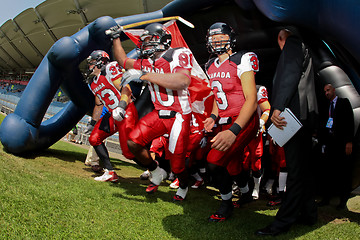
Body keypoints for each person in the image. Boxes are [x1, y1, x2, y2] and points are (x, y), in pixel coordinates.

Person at [109, 22, 195, 201]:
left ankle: (184, 185)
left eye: (150, 39)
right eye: (144, 40)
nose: (146, 44)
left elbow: (182, 81)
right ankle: (157, 171)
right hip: (159, 113)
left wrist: (143, 75)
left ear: (163, 39)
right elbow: (123, 61)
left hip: (179, 115)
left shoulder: (178, 53)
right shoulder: (147, 62)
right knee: (133, 143)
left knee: (178, 165)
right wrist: (115, 38)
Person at [256, 28, 318, 236]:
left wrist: (278, 107)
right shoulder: (305, 47)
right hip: (305, 117)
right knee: (303, 171)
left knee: (295, 172)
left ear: (281, 38)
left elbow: (289, 74)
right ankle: (309, 214)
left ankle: (282, 222)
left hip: (293, 117)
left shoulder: (292, 44)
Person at [203, 22, 259, 222]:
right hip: (224, 121)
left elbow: (251, 99)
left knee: (214, 161)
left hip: (243, 121)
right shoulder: (210, 64)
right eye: (213, 37)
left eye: (222, 37)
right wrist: (212, 117)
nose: (217, 41)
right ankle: (245, 192)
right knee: (233, 165)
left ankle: (226, 203)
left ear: (231, 38)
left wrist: (234, 130)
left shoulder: (243, 58)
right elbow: (219, 98)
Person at [86, 50, 140, 182]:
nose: (89, 66)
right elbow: (99, 105)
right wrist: (92, 123)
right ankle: (110, 172)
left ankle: (155, 167)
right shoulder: (93, 82)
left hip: (126, 111)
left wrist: (121, 107)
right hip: (112, 114)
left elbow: (125, 88)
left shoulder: (110, 69)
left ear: (100, 62)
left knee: (128, 152)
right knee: (94, 138)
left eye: (92, 63)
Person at [317, 83, 354, 210]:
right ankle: (326, 198)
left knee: (342, 172)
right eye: (325, 91)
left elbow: (350, 122)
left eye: (328, 90)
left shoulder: (344, 103)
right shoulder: (324, 105)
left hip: (341, 143)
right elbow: (322, 124)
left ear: (334, 90)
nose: (327, 93)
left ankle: (343, 200)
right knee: (328, 172)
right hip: (329, 144)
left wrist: (349, 142)